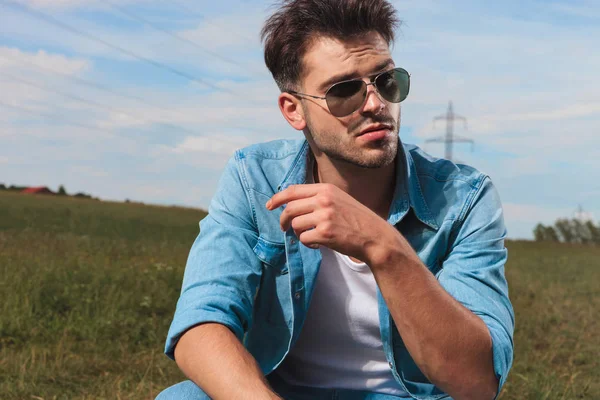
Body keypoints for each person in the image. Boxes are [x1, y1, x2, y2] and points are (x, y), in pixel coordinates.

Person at [156, 0, 514, 399]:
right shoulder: (254, 177)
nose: (377, 104)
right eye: (344, 91)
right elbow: (200, 326)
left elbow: (478, 382)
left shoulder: (463, 197)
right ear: (294, 110)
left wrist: (384, 247)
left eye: (387, 81)